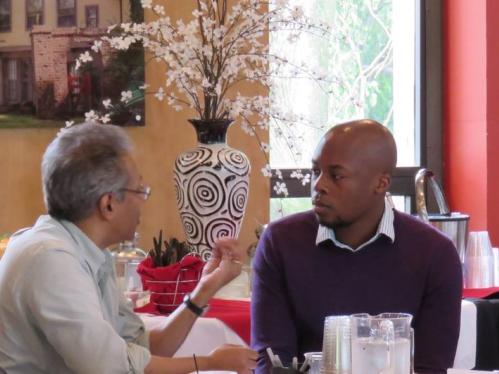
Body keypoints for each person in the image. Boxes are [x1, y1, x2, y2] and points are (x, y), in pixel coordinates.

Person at [0, 122, 257, 373]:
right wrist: (209, 364)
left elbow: (141, 350)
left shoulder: (89, 251)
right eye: (140, 190)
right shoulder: (50, 259)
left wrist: (205, 289)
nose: (143, 201)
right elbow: (110, 367)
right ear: (109, 204)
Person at [251, 119, 462, 374]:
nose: (319, 185)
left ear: (381, 184)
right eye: (315, 171)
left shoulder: (434, 254)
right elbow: (273, 363)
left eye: (336, 176)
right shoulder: (280, 242)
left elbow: (430, 367)